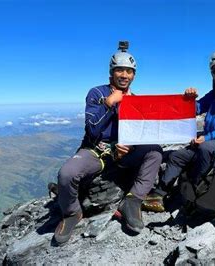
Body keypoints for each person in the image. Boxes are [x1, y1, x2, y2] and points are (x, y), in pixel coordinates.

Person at [54, 41, 163, 245]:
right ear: (111, 73)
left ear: (134, 75)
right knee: (67, 174)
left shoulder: (136, 100)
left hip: (124, 154)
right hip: (96, 151)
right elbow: (92, 128)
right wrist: (109, 104)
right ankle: (72, 214)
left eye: (129, 71)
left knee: (155, 152)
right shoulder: (97, 93)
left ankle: (132, 201)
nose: (124, 75)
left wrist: (129, 147)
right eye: (119, 70)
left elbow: (141, 132)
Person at [142, 50, 215, 212]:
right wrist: (188, 99)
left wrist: (207, 137)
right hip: (210, 140)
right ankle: (158, 194)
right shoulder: (214, 95)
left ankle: (195, 189)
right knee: (177, 156)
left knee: (205, 148)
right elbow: (195, 108)